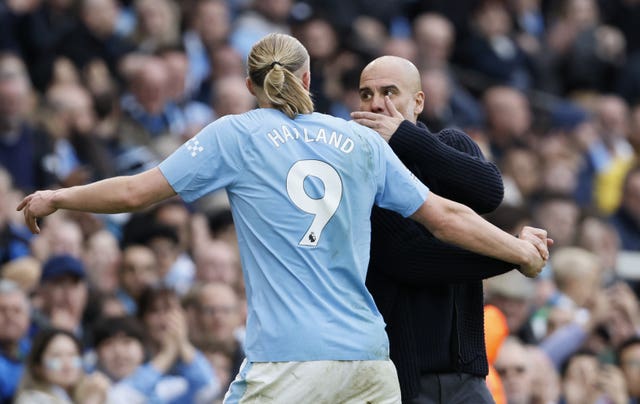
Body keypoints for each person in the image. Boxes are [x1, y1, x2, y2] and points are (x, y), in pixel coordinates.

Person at [18, 33, 550, 402]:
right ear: (309, 77)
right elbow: (448, 217)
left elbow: (135, 192)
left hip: (289, 362)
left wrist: (61, 197)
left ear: (252, 85)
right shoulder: (357, 142)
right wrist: (520, 252)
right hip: (370, 361)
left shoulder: (237, 134)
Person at [351, 54, 546, 403]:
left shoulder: (451, 143)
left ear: (419, 101)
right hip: (401, 380)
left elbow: (489, 192)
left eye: (389, 92)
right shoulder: (359, 174)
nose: (377, 104)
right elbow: (412, 259)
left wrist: (407, 138)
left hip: (468, 376)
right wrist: (515, 253)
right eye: (366, 94)